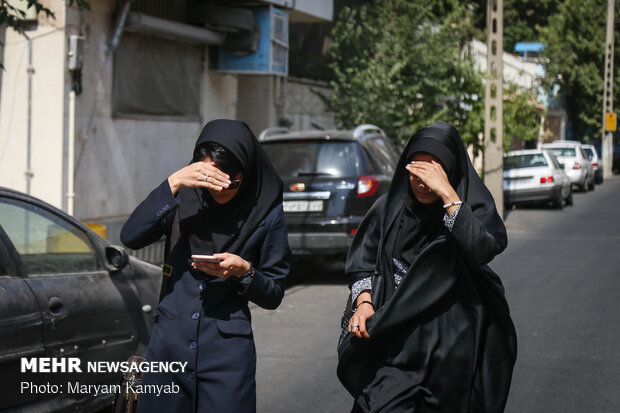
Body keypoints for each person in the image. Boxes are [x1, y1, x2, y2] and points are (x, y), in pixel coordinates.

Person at [337, 121, 517, 412]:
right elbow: (362, 263)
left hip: (451, 347)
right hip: (394, 338)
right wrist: (364, 303)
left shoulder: (470, 209)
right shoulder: (388, 209)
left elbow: (481, 249)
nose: (422, 182)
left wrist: (448, 196)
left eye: (432, 172)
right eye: (415, 171)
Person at [120, 119, 290, 413]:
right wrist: (173, 183)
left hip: (227, 357)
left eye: (231, 182)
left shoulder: (267, 214)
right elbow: (130, 236)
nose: (220, 191)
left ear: (246, 174)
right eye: (213, 180)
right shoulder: (183, 196)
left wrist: (244, 272)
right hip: (168, 350)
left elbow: (273, 293)